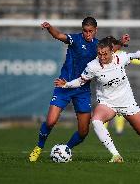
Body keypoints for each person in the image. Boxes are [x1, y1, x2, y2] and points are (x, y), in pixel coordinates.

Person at [55, 37, 140, 163]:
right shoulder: (92, 66)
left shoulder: (120, 58)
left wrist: (138, 54)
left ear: (111, 51)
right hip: (107, 103)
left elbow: (131, 56)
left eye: (105, 54)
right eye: (99, 54)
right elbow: (81, 81)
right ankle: (116, 155)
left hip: (126, 102)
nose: (102, 57)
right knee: (96, 120)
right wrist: (66, 85)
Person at [29, 17, 129, 162]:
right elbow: (58, 35)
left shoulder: (98, 46)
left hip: (82, 90)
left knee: (83, 131)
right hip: (64, 85)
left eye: (90, 31)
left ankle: (66, 149)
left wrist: (121, 42)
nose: (87, 34)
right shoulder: (75, 39)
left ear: (96, 30)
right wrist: (50, 27)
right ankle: (38, 147)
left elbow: (111, 49)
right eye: (85, 31)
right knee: (50, 121)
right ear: (82, 30)